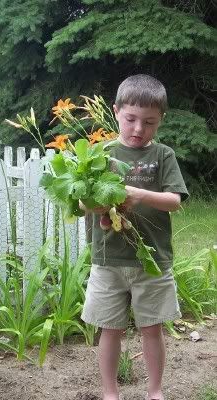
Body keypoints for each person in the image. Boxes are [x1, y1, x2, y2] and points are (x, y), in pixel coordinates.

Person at [81, 74, 189, 400]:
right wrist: (105, 208)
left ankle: (155, 392)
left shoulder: (163, 155)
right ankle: (109, 393)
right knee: (109, 330)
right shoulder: (99, 153)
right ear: (115, 111)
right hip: (108, 258)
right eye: (130, 119)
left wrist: (139, 194)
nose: (139, 129)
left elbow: (175, 201)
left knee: (152, 329)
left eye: (149, 122)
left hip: (152, 260)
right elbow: (84, 202)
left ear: (161, 121)